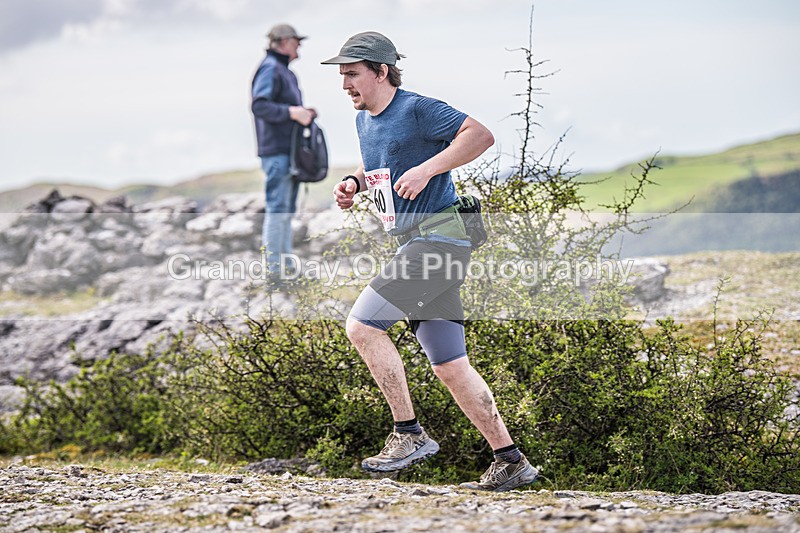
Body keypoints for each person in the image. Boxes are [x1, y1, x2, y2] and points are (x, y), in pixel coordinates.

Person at [323, 32, 538, 491]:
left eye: (352, 74)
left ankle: (408, 434)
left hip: (441, 240)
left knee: (362, 326)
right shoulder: (366, 121)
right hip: (418, 242)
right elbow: (382, 168)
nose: (345, 85)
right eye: (341, 76)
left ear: (381, 71)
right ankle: (511, 459)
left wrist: (429, 169)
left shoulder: (417, 108)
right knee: (449, 363)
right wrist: (353, 183)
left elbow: (480, 135)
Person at [251, 24, 317, 278]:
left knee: (284, 211)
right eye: (297, 41)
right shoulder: (270, 68)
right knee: (278, 210)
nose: (299, 46)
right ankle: (275, 273)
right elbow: (259, 105)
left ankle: (285, 269)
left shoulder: (281, 71)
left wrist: (303, 113)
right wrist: (292, 112)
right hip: (277, 153)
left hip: (287, 153)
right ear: (285, 42)